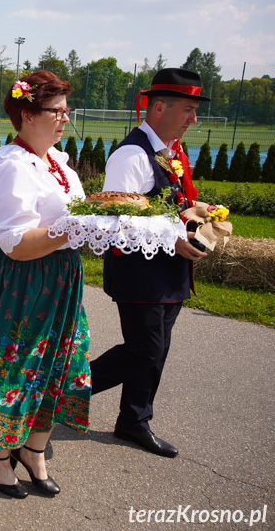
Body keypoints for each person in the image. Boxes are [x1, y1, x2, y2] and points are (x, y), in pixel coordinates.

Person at [0, 70, 90, 499]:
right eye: (57, 111)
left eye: (66, 111)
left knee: (61, 365)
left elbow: (71, 224)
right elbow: (14, 244)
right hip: (21, 279)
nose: (64, 119)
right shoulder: (12, 167)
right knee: (13, 369)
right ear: (28, 115)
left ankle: (34, 450)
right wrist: (74, 228)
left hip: (61, 277)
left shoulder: (60, 165)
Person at [89, 68, 209, 458]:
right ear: (160, 107)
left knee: (158, 349)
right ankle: (62, 390)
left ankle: (134, 420)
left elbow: (157, 207)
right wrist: (173, 236)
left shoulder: (169, 151)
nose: (194, 119)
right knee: (145, 349)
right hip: (139, 271)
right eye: (188, 110)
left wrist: (192, 211)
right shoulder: (131, 154)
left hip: (168, 269)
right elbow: (119, 219)